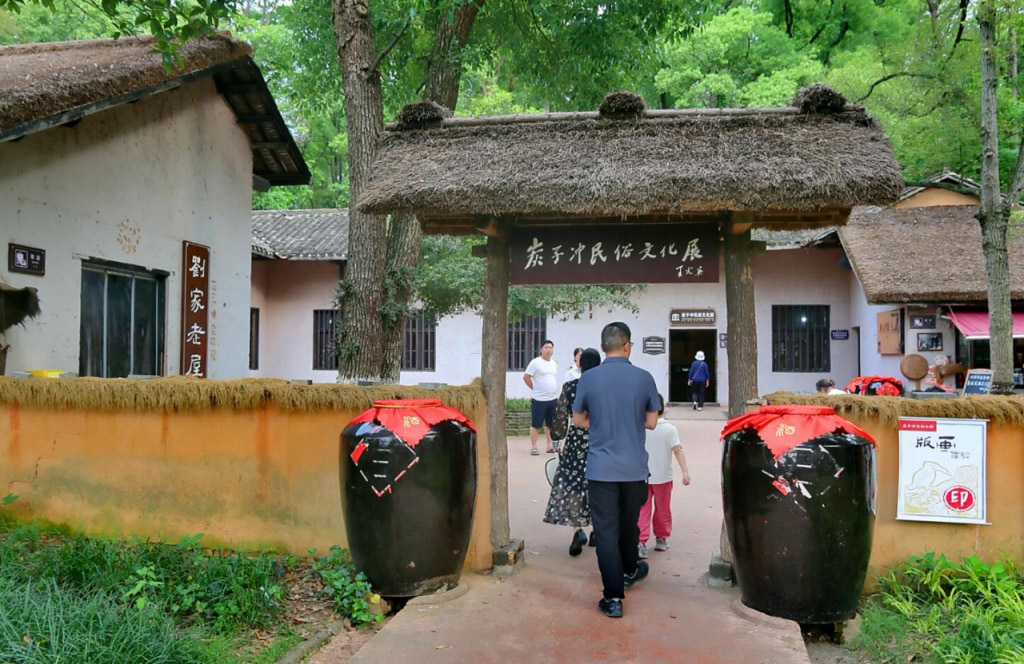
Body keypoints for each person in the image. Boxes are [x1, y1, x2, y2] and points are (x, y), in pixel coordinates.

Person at [573, 322, 660, 619]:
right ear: (627, 345)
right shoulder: (644, 377)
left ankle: (612, 598)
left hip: (601, 469)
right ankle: (630, 570)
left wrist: (600, 422)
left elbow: (578, 420)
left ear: (602, 347)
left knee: (606, 531)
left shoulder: (588, 378)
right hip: (634, 468)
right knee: (629, 523)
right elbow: (652, 422)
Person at [544, 348, 602, 556]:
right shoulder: (604, 388)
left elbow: (560, 420)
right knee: (598, 485)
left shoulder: (570, 387)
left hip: (576, 443)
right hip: (600, 441)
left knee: (574, 485)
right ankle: (597, 530)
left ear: (580, 365)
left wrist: (557, 437)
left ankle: (577, 530)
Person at [637, 394, 690, 559]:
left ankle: (641, 542)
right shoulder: (669, 429)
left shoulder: (640, 428)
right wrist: (685, 472)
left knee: (642, 510)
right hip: (663, 478)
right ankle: (661, 538)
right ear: (662, 408)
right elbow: (678, 450)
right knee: (663, 509)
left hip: (642, 477)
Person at [524, 340, 558, 455]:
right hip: (539, 399)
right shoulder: (535, 362)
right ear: (541, 350)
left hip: (552, 399)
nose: (548, 350)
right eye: (546, 347)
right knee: (536, 424)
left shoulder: (554, 363)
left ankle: (549, 445)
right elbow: (526, 377)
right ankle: (534, 446)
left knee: (550, 424)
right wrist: (534, 388)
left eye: (550, 348)